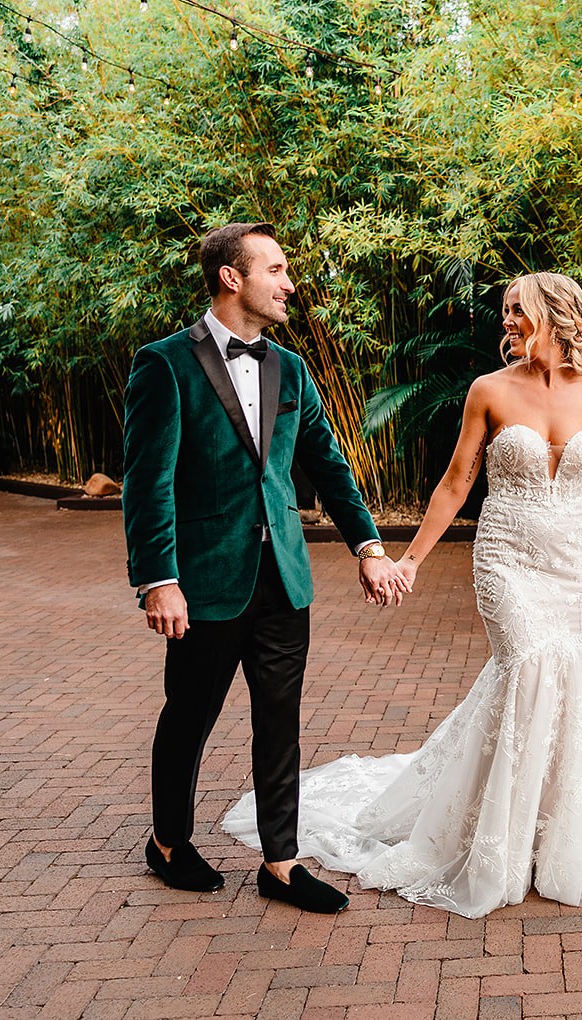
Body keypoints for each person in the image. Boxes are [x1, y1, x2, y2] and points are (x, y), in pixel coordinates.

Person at [223, 271, 582, 917]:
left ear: (552, 315)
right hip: (506, 556)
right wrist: (410, 560)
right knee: (527, 665)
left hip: (572, 563)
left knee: (563, 682)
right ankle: (490, 841)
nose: (505, 321)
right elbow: (456, 482)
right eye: (505, 310)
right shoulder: (489, 390)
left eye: (516, 310)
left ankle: (544, 834)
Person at [123, 222, 408, 914]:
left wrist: (368, 547)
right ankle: (168, 843)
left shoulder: (291, 368)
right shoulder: (164, 364)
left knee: (280, 723)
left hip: (283, 574)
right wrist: (159, 579)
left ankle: (280, 863)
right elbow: (147, 482)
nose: (289, 284)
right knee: (190, 716)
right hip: (205, 580)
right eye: (275, 270)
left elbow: (328, 465)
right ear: (232, 277)